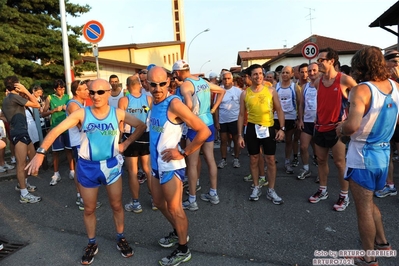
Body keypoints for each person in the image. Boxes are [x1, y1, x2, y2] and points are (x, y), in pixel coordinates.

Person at [26, 79, 146, 264]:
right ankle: (92, 243)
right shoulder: (82, 113)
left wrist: (126, 144)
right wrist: (41, 152)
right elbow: (57, 130)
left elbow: (141, 125)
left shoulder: (118, 113)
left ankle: (120, 237)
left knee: (116, 205)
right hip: (88, 167)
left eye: (100, 92)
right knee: (89, 208)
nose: (95, 96)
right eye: (92, 92)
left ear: (108, 92)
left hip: (111, 165)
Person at [336, 46, 398, 265]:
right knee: (369, 202)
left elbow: (352, 126)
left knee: (363, 209)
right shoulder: (395, 86)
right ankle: (382, 243)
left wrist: (340, 127)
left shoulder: (361, 90)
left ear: (359, 65)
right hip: (384, 153)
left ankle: (369, 257)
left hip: (362, 156)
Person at [148, 66, 210, 266]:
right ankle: (178, 231)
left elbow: (203, 131)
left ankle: (183, 249)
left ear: (169, 82)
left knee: (175, 208)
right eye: (153, 84)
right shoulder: (153, 103)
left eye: (162, 84)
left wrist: (183, 151)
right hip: (156, 164)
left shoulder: (174, 104)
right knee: (159, 203)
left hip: (171, 165)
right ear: (147, 84)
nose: (157, 88)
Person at [308, 47, 357, 212]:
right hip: (320, 127)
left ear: (332, 61)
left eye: (322, 60)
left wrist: (348, 120)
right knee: (321, 160)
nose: (319, 63)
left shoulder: (345, 80)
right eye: (318, 60)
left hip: (337, 129)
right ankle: (323, 190)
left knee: (339, 162)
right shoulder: (317, 82)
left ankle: (344, 195)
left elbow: (361, 97)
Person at [173, 59, 225, 211]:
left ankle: (192, 200)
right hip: (208, 123)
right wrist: (213, 109)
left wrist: (183, 116)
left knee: (192, 163)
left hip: (195, 126)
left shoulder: (185, 85)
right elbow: (222, 91)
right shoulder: (202, 81)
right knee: (210, 159)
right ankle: (214, 193)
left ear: (177, 72)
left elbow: (188, 104)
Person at [238, 64, 285, 204]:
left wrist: (282, 129)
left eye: (260, 73)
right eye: (255, 74)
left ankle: (271, 190)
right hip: (252, 128)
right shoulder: (245, 93)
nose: (258, 76)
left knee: (270, 159)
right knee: (254, 158)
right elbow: (241, 115)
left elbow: (280, 110)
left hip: (268, 128)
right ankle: (256, 186)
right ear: (250, 76)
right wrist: (240, 134)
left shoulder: (271, 91)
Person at [118, 75, 154, 213]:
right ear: (139, 84)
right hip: (145, 136)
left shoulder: (124, 100)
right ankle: (155, 201)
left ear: (127, 87)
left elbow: (120, 124)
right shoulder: (148, 99)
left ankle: (136, 203)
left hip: (130, 137)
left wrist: (120, 141)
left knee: (133, 171)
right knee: (147, 169)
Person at [2, 76, 41, 203]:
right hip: (19, 133)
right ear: (16, 85)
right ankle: (24, 194)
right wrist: (26, 90)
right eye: (19, 83)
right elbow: (36, 104)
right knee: (21, 164)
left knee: (33, 158)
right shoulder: (13, 97)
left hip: (22, 131)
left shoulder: (11, 98)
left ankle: (22, 183)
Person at [66, 79, 102, 211]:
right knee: (81, 170)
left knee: (82, 169)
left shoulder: (81, 104)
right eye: (85, 89)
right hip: (78, 143)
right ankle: (82, 198)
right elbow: (82, 126)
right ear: (77, 91)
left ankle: (82, 196)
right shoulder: (73, 105)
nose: (88, 91)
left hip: (83, 142)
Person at [374, 50, 399, 198]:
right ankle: (389, 185)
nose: (396, 64)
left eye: (398, 61)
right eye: (393, 61)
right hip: (388, 124)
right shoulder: (384, 79)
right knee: (387, 155)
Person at [42, 79, 75, 186]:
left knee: (69, 150)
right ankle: (56, 174)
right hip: (56, 128)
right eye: (60, 89)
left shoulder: (68, 97)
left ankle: (72, 171)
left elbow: (73, 111)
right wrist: (54, 110)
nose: (62, 91)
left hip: (67, 127)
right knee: (56, 152)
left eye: (63, 88)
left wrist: (67, 108)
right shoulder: (50, 98)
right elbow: (43, 114)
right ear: (55, 89)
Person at [274, 66, 301, 174]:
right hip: (276, 116)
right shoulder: (276, 87)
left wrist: (299, 117)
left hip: (290, 116)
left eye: (287, 72)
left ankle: (287, 161)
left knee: (289, 140)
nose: (284, 74)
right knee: (274, 140)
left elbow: (299, 103)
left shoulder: (295, 87)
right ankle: (271, 161)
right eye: (283, 72)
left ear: (292, 74)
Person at [214, 71, 242, 169]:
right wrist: (217, 122)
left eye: (228, 78)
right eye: (224, 78)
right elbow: (216, 107)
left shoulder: (238, 91)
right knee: (223, 140)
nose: (226, 80)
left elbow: (243, 106)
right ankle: (223, 159)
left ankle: (236, 159)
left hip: (235, 119)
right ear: (222, 79)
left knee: (236, 139)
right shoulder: (219, 91)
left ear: (232, 79)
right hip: (223, 120)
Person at [297, 62, 319, 180]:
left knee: (320, 151)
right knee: (303, 147)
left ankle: (321, 172)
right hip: (307, 121)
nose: (311, 73)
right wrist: (300, 119)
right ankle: (306, 169)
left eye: (314, 70)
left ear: (319, 71)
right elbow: (301, 105)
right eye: (309, 71)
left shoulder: (323, 85)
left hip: (320, 123)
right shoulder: (305, 87)